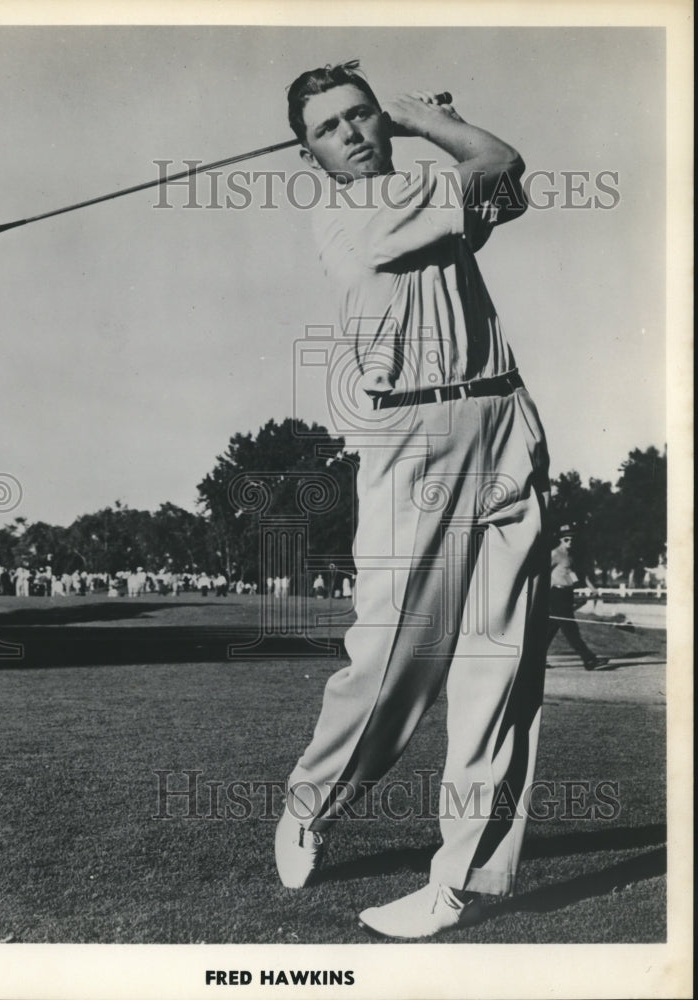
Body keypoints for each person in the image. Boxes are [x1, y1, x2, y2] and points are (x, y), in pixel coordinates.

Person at [274, 61, 551, 939]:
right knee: (393, 658)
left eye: (362, 115)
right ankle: (312, 804)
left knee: (501, 662)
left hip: (503, 415)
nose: (354, 133)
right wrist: (427, 121)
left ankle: (457, 880)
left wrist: (432, 125)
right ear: (310, 155)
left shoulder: (429, 194)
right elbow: (496, 163)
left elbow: (504, 184)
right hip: (411, 435)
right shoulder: (349, 214)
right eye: (330, 127)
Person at [547, 525, 609, 671]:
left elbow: (578, 574)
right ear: (560, 540)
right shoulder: (555, 554)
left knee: (552, 627)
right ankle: (589, 659)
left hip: (567, 594)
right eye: (566, 539)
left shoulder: (570, 555)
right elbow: (542, 573)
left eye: (571, 539)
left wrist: (592, 588)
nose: (570, 542)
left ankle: (535, 658)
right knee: (571, 629)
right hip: (556, 594)